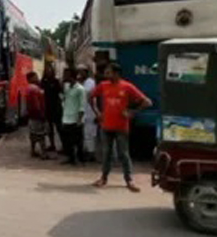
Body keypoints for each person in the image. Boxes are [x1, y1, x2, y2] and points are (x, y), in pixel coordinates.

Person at [90, 62, 152, 192]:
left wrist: (132, 112)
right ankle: (103, 178)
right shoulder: (103, 85)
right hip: (106, 125)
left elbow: (147, 102)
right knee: (106, 153)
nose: (106, 74)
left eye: (108, 72)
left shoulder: (127, 86)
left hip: (121, 127)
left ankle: (129, 180)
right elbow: (90, 97)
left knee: (123, 154)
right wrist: (97, 112)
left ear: (116, 73)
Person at [59, 68, 87, 166]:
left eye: (66, 75)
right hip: (66, 118)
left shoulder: (80, 89)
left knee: (78, 141)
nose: (64, 77)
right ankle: (70, 158)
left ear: (71, 76)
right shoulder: (66, 88)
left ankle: (80, 159)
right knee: (67, 141)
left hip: (76, 118)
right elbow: (63, 99)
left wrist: (79, 119)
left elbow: (82, 105)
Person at [24, 72, 48, 158]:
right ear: (30, 79)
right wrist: (41, 114)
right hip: (37, 115)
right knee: (41, 134)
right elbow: (36, 103)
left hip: (31, 115)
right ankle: (44, 153)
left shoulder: (28, 88)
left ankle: (33, 151)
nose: (37, 78)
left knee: (33, 134)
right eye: (35, 77)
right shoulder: (35, 89)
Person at [41, 66, 63, 152]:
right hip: (47, 107)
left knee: (59, 127)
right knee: (49, 129)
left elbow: (60, 92)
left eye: (50, 71)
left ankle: (63, 145)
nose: (48, 72)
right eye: (47, 71)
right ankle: (52, 144)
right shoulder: (43, 82)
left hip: (56, 107)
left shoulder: (56, 81)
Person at [79, 66, 98, 162]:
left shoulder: (91, 83)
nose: (80, 74)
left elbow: (88, 95)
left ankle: (91, 153)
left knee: (90, 133)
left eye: (82, 72)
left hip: (91, 111)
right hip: (84, 111)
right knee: (86, 134)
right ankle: (87, 151)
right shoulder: (82, 83)